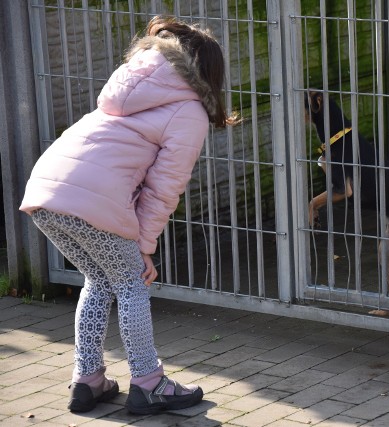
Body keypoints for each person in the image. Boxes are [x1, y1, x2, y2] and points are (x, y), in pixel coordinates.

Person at [20, 15, 237, 415]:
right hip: (89, 201)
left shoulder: (128, 87)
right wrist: (143, 247)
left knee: (100, 279)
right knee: (132, 282)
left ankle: (88, 380)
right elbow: (163, 189)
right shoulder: (186, 109)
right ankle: (149, 382)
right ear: (208, 72)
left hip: (45, 194)